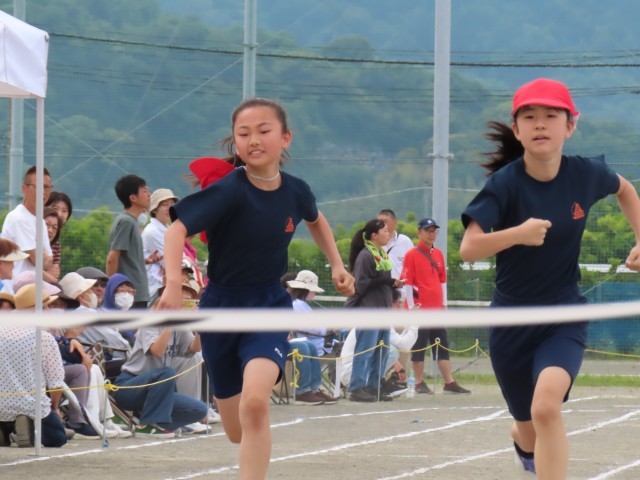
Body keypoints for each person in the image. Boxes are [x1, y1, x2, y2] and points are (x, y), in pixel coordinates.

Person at [157, 98, 354, 479]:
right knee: (235, 428)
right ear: (235, 143)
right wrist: (170, 286)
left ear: (285, 138)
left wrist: (337, 264)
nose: (254, 140)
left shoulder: (296, 191)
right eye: (243, 134)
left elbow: (315, 219)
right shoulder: (229, 190)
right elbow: (175, 229)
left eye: (264, 131)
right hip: (220, 309)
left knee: (255, 406)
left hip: (269, 306)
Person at [459, 78, 640, 478]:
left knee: (546, 407)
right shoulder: (504, 184)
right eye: (530, 116)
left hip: (563, 314)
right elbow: (468, 248)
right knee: (527, 426)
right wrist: (516, 235)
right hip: (511, 322)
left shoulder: (586, 175)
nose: (540, 124)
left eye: (550, 116)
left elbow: (626, 190)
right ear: (517, 129)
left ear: (570, 125)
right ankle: (526, 449)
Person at [112, 281, 209, 437]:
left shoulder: (180, 327)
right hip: (130, 386)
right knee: (167, 372)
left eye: (188, 301)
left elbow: (194, 349)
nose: (184, 304)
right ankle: (149, 424)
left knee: (199, 409)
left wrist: (199, 329)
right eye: (181, 300)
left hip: (159, 391)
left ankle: (159, 425)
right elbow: (157, 351)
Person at [401, 217, 470, 395]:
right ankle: (418, 382)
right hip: (420, 310)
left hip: (436, 310)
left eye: (434, 230)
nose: (431, 234)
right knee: (419, 346)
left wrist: (444, 304)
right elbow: (407, 283)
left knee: (442, 345)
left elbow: (442, 281)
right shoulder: (411, 254)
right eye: (427, 230)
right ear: (419, 232)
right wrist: (411, 308)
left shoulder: (438, 254)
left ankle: (449, 382)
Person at [0, 284, 67, 447]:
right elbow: (56, 382)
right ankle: (24, 425)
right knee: (59, 438)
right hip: (31, 404)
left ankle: (5, 427)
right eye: (47, 307)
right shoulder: (44, 338)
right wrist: (55, 407)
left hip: (1, 402)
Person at [344, 218, 404, 402]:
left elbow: (379, 282)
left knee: (382, 350)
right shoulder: (365, 255)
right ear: (374, 236)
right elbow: (361, 284)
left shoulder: (381, 255)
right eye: (385, 230)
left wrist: (394, 285)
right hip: (369, 311)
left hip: (382, 310)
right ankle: (356, 387)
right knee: (366, 349)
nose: (388, 233)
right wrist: (387, 281)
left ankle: (373, 385)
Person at [106, 174, 160, 309]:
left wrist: (145, 261)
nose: (149, 194)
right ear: (133, 198)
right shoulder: (126, 222)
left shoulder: (131, 221)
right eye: (144, 191)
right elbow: (112, 258)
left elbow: (126, 258)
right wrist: (113, 289)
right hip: (129, 294)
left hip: (135, 293)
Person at [284, 270, 338, 405]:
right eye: (313, 290)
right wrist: (326, 328)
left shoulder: (302, 305)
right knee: (304, 346)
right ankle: (302, 391)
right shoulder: (297, 305)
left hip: (300, 340)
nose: (315, 293)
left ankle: (313, 389)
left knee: (309, 346)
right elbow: (307, 326)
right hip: (288, 341)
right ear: (304, 290)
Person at [1, 166, 54, 280]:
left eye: (47, 187)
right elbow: (39, 261)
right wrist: (40, 255)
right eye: (38, 187)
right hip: (15, 290)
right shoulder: (18, 218)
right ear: (24, 188)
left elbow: (49, 261)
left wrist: (39, 254)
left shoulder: (41, 221)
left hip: (34, 288)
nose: (43, 192)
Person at [142, 188, 179, 301]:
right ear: (154, 210)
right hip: (155, 291)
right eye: (164, 204)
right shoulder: (153, 232)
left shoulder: (167, 229)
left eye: (172, 204)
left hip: (165, 287)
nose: (169, 208)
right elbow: (170, 262)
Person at [45, 191, 73, 274]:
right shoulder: (33, 234)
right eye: (55, 209)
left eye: (64, 211)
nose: (59, 214)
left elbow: (55, 271)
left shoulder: (56, 244)